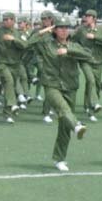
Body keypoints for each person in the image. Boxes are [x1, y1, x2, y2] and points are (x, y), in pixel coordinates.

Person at [28, 16, 92, 171]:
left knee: (64, 125)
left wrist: (68, 51)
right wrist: (43, 31)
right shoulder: (46, 44)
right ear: (54, 30)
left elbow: (89, 55)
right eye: (60, 27)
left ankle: (60, 158)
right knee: (63, 109)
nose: (64, 30)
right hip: (52, 85)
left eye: (66, 28)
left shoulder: (74, 45)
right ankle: (77, 126)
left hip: (70, 86)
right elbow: (28, 43)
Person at [72, 9, 102, 122]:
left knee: (93, 84)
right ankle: (94, 104)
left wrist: (95, 37)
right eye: (86, 16)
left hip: (98, 61)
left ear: (94, 18)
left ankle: (89, 108)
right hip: (85, 59)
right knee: (90, 80)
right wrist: (79, 50)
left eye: (89, 16)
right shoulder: (81, 30)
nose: (86, 18)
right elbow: (73, 41)